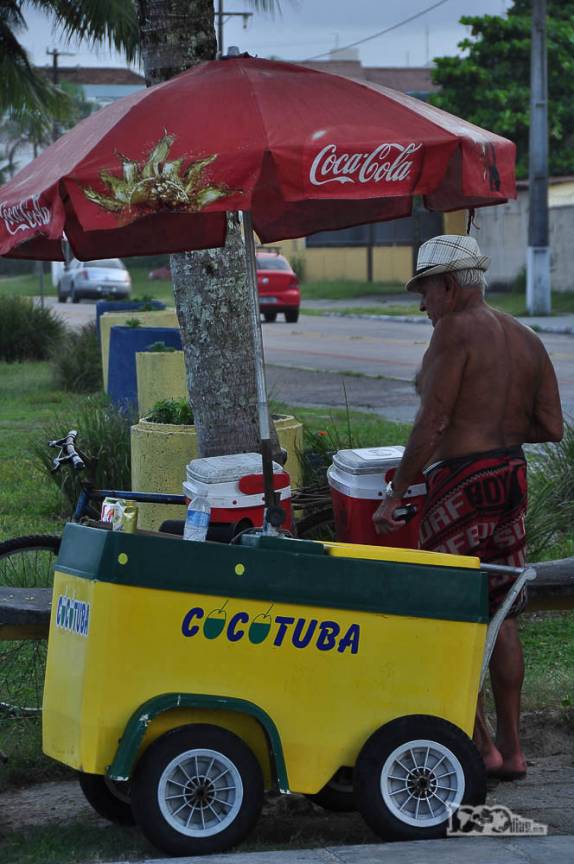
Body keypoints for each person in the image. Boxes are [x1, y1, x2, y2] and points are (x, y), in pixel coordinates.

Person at [372, 234, 563, 781]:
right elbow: (550, 427)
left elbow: (431, 423)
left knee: (454, 611)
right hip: (510, 477)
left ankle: (480, 748)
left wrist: (395, 495)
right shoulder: (526, 337)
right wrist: (493, 429)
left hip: (462, 485)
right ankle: (514, 748)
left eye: (426, 290)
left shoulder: (454, 331)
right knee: (501, 609)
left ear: (451, 287)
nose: (422, 304)